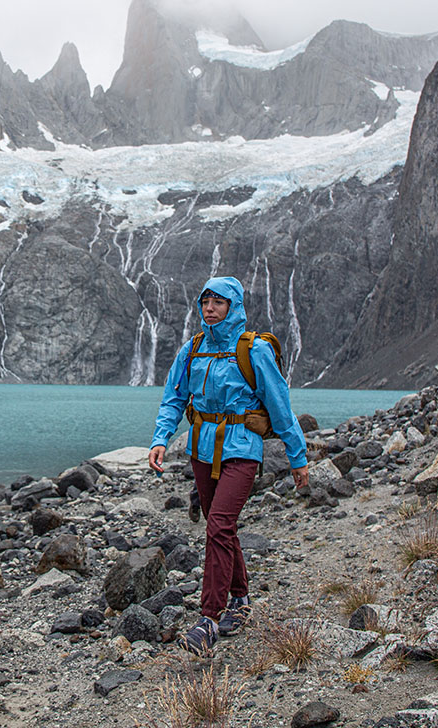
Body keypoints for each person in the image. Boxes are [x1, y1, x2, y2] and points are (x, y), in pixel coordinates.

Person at [149, 276, 309, 655]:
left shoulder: (253, 351)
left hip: (242, 448)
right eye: (205, 301)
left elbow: (280, 405)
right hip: (202, 450)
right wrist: (160, 438)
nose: (210, 308)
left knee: (219, 525)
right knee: (222, 527)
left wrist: (297, 457)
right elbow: (174, 397)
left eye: (218, 302)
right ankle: (240, 600)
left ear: (233, 306)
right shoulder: (193, 349)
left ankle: (208, 619)